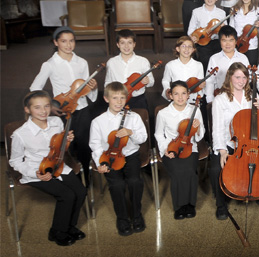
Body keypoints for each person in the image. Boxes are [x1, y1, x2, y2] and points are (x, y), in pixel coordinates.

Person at [9, 91, 86, 246]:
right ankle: (58, 231)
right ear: (27, 110)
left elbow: (59, 148)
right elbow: (15, 161)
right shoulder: (20, 134)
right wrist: (34, 173)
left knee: (80, 191)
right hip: (37, 170)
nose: (43, 111)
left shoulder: (57, 122)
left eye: (46, 106)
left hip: (58, 165)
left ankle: (70, 226)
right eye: (37, 107)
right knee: (67, 195)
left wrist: (67, 140)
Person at [30, 26, 97, 177]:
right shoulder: (50, 64)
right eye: (64, 41)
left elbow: (86, 87)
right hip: (64, 111)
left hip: (83, 108)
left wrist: (93, 87)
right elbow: (35, 88)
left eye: (71, 41)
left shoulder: (82, 62)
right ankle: (72, 178)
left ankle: (87, 177)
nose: (68, 45)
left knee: (85, 145)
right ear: (56, 42)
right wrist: (49, 107)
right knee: (67, 146)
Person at [89, 82, 147, 236]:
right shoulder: (98, 121)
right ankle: (122, 219)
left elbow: (142, 138)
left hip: (130, 154)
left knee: (135, 181)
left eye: (122, 98)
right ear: (106, 99)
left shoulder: (133, 117)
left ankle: (136, 215)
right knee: (117, 185)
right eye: (115, 98)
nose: (119, 102)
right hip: (108, 157)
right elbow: (95, 144)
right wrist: (101, 162)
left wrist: (130, 132)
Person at [210, 63, 259, 220]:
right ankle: (221, 205)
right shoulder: (220, 100)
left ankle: (256, 192)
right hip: (228, 144)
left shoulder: (252, 96)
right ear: (229, 78)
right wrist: (222, 151)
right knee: (216, 169)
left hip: (249, 144)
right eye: (237, 77)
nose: (241, 81)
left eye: (244, 77)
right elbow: (217, 128)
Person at [155, 81, 205, 220]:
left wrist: (198, 127)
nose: (180, 97)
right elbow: (159, 134)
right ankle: (179, 207)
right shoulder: (163, 113)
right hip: (171, 147)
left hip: (190, 147)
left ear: (189, 95)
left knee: (189, 171)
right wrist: (165, 149)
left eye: (184, 93)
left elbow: (200, 135)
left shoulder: (195, 110)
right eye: (176, 94)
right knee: (177, 172)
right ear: (170, 95)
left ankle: (190, 205)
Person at [104, 30, 155, 110]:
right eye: (122, 43)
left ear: (134, 44)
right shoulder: (111, 62)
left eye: (129, 43)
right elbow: (107, 82)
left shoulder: (143, 61)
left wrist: (147, 81)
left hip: (138, 100)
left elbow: (151, 82)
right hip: (117, 100)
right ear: (118, 44)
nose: (126, 46)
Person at [204, 25, 250, 103]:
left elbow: (249, 78)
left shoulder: (243, 58)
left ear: (236, 41)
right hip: (220, 97)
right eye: (224, 40)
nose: (227, 44)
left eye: (231, 40)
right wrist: (210, 99)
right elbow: (210, 81)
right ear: (220, 42)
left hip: (240, 97)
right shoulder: (214, 58)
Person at [188, 0, 227, 68]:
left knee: (219, 62)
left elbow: (225, 32)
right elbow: (191, 29)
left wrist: (223, 28)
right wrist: (193, 36)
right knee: (204, 62)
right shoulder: (196, 12)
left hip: (217, 42)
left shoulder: (221, 13)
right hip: (202, 42)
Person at [161, 36, 203, 103]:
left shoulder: (198, 65)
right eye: (183, 46)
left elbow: (200, 82)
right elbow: (165, 80)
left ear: (193, 50)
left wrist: (200, 92)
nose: (187, 49)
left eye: (190, 46)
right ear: (178, 49)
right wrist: (167, 90)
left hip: (192, 100)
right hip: (176, 100)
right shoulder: (170, 65)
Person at [230, 0, 259, 65]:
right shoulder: (235, 9)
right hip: (237, 46)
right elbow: (231, 29)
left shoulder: (258, 11)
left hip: (251, 47)